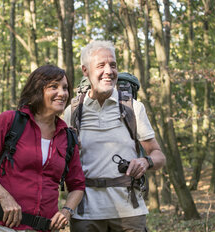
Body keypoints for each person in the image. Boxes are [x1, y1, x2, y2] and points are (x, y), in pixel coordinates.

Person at [64, 41, 166, 232]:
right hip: (85, 214)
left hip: (130, 213)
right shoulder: (72, 111)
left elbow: (159, 156)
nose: (109, 71)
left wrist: (146, 161)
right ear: (85, 70)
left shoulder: (133, 107)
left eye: (113, 65)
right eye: (101, 65)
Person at [0, 65, 85, 232]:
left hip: (45, 228)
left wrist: (67, 210)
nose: (62, 93)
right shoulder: (10, 121)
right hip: (2, 226)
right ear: (38, 90)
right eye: (54, 86)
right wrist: (5, 198)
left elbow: (78, 184)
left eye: (65, 88)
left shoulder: (67, 137)